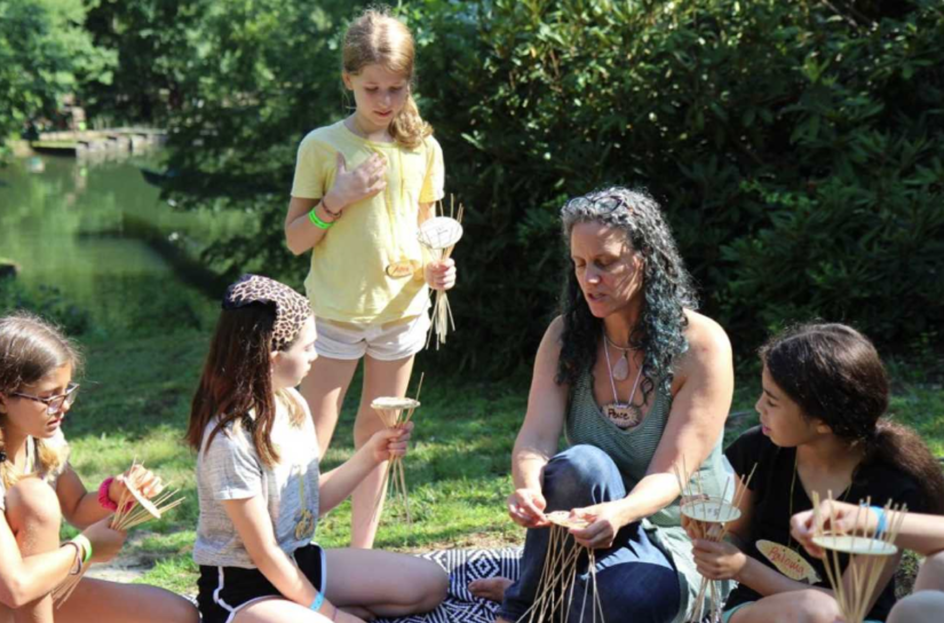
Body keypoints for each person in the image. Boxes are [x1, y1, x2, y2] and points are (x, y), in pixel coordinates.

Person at [469, 187, 735, 622]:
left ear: (644, 259)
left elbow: (671, 474)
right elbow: (536, 438)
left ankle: (545, 593)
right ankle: (525, 605)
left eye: (605, 263)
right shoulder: (564, 337)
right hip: (588, 529)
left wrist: (621, 512)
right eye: (579, 264)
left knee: (618, 601)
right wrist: (529, 488)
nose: (589, 278)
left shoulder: (700, 346)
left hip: (674, 541)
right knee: (583, 465)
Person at [284, 8, 457, 549]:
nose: (385, 101)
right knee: (310, 438)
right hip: (334, 316)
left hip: (401, 315)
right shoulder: (321, 145)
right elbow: (295, 238)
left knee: (380, 436)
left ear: (410, 84)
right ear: (348, 82)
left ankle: (362, 553)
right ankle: (292, 547)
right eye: (372, 89)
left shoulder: (423, 148)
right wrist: (337, 198)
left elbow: (425, 230)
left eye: (397, 89)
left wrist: (437, 269)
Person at [185, 275, 447, 623]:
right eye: (307, 347)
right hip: (243, 588)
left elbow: (306, 503)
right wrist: (333, 614)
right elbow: (263, 554)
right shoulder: (228, 439)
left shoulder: (292, 403)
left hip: (298, 561)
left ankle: (305, 610)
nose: (316, 355)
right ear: (274, 358)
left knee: (430, 584)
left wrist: (371, 454)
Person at [0, 312, 199, 623]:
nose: (63, 406)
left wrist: (115, 493)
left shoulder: (41, 436)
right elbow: (13, 588)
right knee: (32, 497)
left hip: (20, 592)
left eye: (66, 391)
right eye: (48, 397)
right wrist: (85, 548)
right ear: (0, 398)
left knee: (178, 615)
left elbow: (77, 508)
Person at [689, 323, 944, 623]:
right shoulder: (759, 449)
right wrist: (715, 544)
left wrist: (743, 568)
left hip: (853, 616)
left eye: (772, 401)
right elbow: (738, 534)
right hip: (756, 609)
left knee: (815, 611)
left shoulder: (891, 486)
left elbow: (850, 607)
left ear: (824, 421)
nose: (758, 407)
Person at [792, 500, 944, 623]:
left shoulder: (896, 484)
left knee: (922, 607)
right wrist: (873, 519)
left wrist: (876, 521)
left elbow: (847, 605)